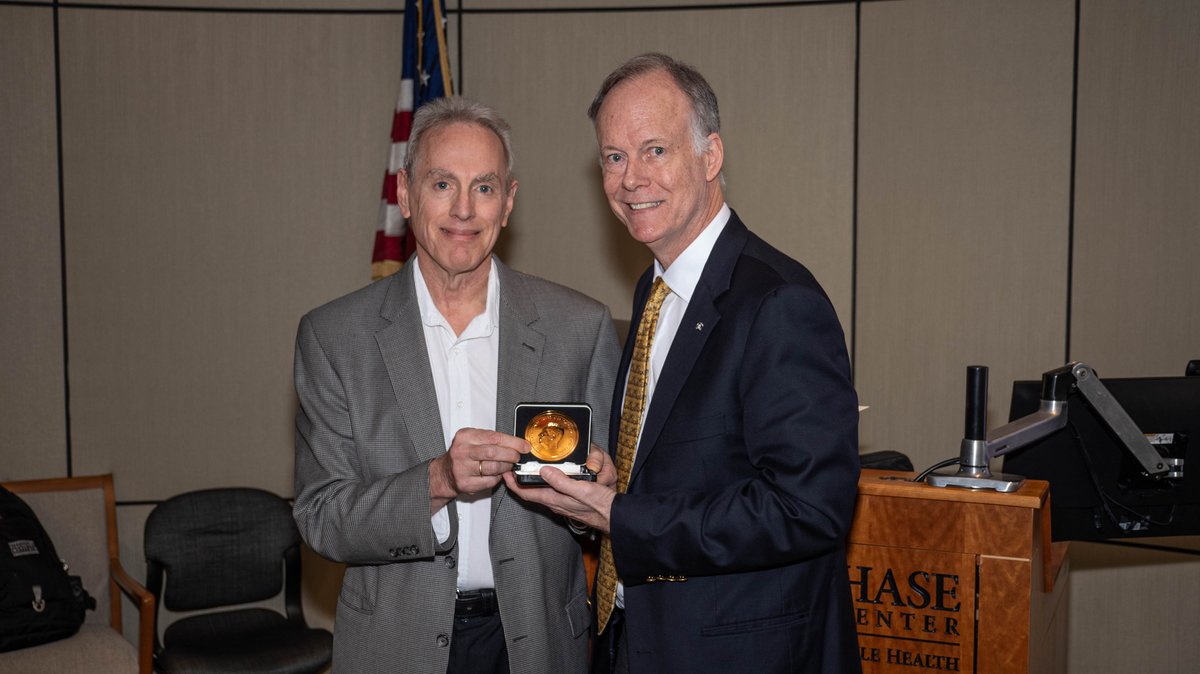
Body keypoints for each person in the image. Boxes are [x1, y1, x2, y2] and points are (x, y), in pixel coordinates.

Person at [505, 53, 862, 673]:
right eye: (613, 158)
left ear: (711, 156)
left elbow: (808, 510)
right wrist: (610, 489)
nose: (630, 179)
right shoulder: (655, 291)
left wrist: (622, 515)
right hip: (641, 641)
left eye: (655, 151)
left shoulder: (779, 301)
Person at [293, 96, 620, 674]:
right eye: (443, 184)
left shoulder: (580, 327)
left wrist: (594, 497)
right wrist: (438, 480)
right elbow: (323, 516)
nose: (464, 209)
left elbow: (602, 507)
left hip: (540, 643)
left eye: (485, 188)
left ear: (509, 201)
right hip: (396, 646)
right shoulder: (334, 337)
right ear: (405, 192)